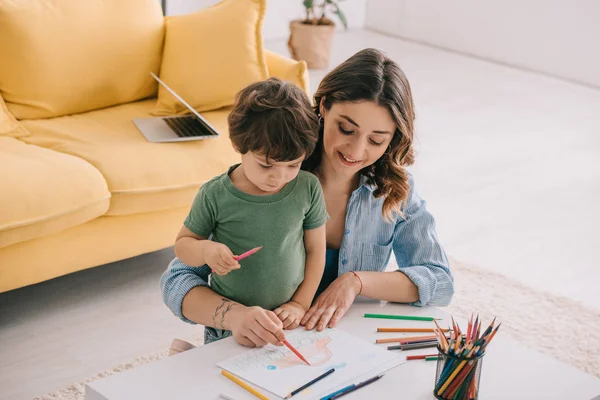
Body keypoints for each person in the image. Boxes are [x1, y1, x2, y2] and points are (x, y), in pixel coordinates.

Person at [161, 48, 454, 350]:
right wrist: (235, 316)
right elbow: (177, 281)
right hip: (258, 344)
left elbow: (440, 281)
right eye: (346, 128)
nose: (355, 151)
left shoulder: (393, 192)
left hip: (338, 343)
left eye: (376, 139)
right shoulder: (272, 171)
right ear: (324, 106)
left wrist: (355, 282)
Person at [164, 77, 328, 348]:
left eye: (293, 165)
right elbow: (183, 246)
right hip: (228, 327)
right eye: (266, 165)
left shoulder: (308, 187)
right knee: (224, 377)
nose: (280, 178)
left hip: (286, 318)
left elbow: (316, 251)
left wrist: (300, 304)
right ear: (240, 146)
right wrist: (205, 251)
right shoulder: (215, 194)